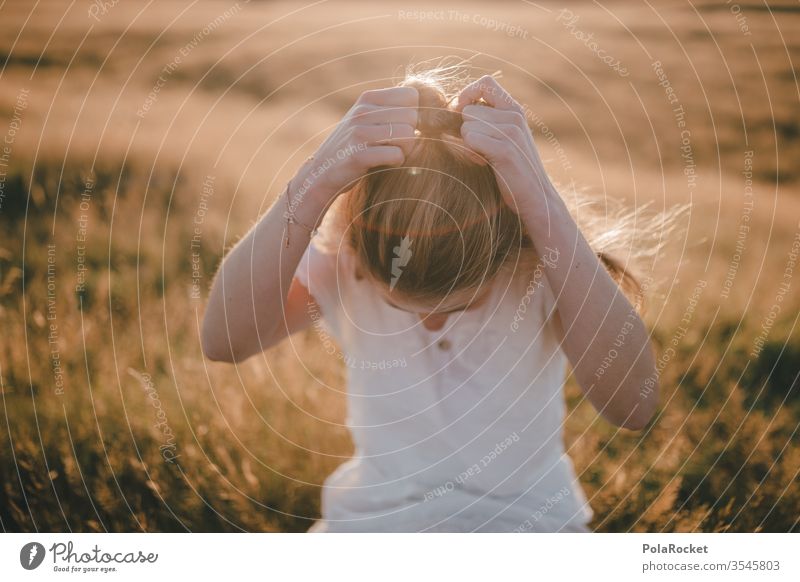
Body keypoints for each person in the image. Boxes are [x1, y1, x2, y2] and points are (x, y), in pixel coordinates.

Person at [201, 68, 660, 532]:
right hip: (373, 523)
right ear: (357, 247)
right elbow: (224, 341)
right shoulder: (343, 262)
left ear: (510, 252)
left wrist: (543, 203)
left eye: (463, 304)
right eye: (401, 305)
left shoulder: (541, 269)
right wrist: (314, 182)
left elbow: (633, 407)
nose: (432, 319)